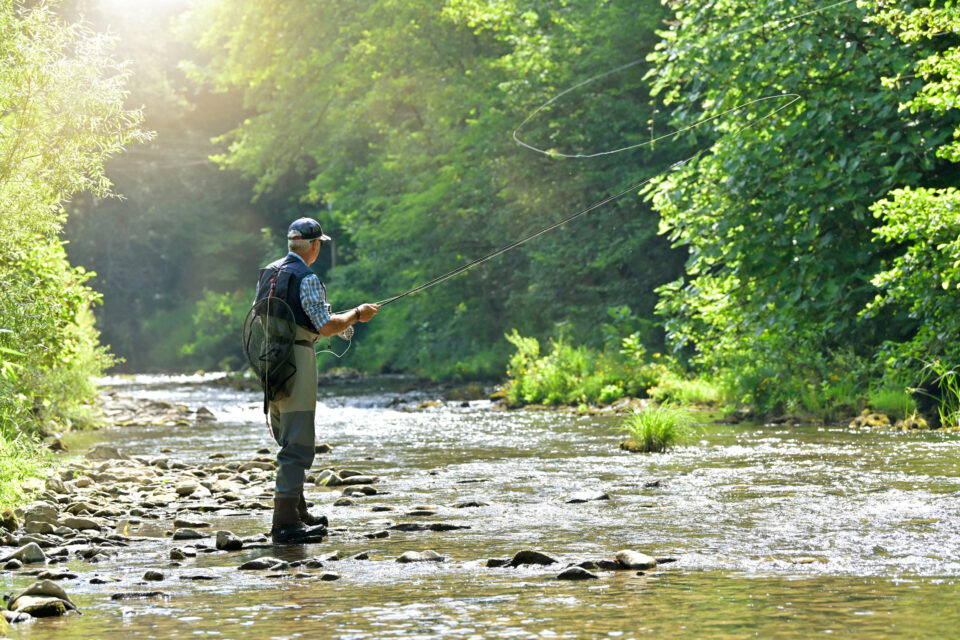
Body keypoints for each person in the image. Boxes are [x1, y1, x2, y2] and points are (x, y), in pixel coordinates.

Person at [253, 217, 380, 544]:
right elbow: (325, 327)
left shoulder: (268, 272)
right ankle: (284, 524)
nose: (319, 248)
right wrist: (357, 314)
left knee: (287, 437)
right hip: (297, 359)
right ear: (313, 246)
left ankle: (298, 512)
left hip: (269, 360)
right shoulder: (306, 277)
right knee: (298, 444)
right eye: (319, 244)